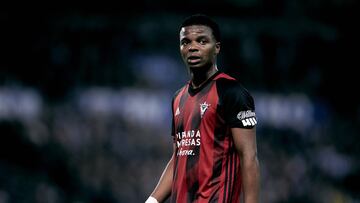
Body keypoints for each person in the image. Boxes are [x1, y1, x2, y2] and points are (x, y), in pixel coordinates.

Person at [145, 14, 260, 203]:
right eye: (185, 42)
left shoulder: (232, 92)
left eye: (202, 41)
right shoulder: (177, 99)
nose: (192, 47)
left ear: (217, 48)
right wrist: (152, 200)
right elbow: (179, 156)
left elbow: (248, 156)